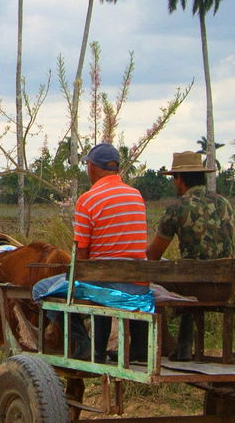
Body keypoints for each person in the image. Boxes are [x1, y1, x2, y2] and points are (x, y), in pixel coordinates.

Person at [146, 151, 235, 360]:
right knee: (185, 273)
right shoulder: (225, 203)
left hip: (193, 287)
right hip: (225, 287)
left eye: (174, 178)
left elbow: (153, 256)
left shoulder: (177, 208)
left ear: (180, 179)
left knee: (150, 273)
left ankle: (154, 343)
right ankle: (183, 345)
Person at [70, 142, 150, 363]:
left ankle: (88, 347)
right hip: (138, 286)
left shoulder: (87, 200)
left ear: (92, 167)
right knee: (102, 280)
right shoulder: (136, 196)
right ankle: (138, 350)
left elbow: (81, 255)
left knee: (42, 290)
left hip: (105, 286)